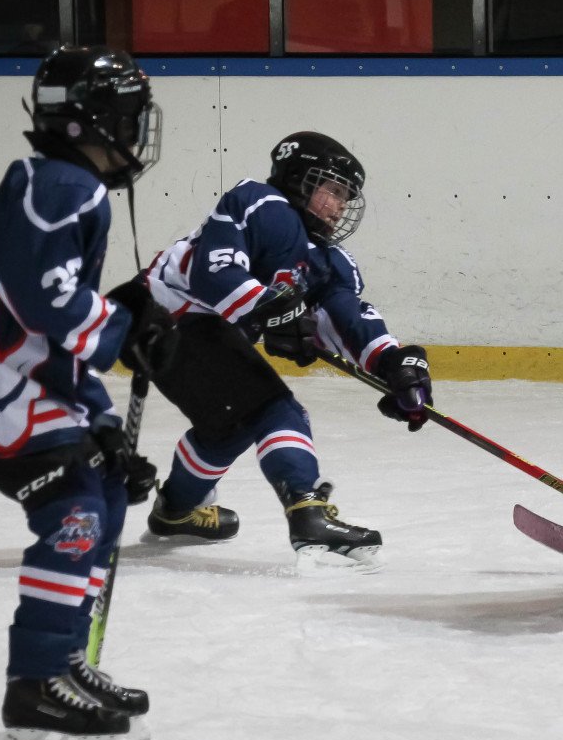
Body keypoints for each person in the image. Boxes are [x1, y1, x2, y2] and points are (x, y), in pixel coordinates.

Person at [0, 46, 177, 740]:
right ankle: (35, 687)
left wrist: (99, 421)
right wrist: (123, 330)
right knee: (74, 512)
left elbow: (50, 328)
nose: (137, 131)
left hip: (14, 378)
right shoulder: (66, 184)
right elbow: (43, 301)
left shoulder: (62, 183)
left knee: (105, 493)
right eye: (129, 116)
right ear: (94, 119)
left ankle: (62, 661)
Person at [128, 130, 432, 568]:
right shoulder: (260, 203)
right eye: (333, 190)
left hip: (194, 329)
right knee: (277, 410)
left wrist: (395, 365)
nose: (339, 206)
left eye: (346, 197)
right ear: (298, 178)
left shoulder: (328, 260)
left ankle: (176, 510)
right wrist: (272, 312)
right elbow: (215, 276)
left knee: (230, 426)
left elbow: (346, 319)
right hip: (162, 312)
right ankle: (308, 511)